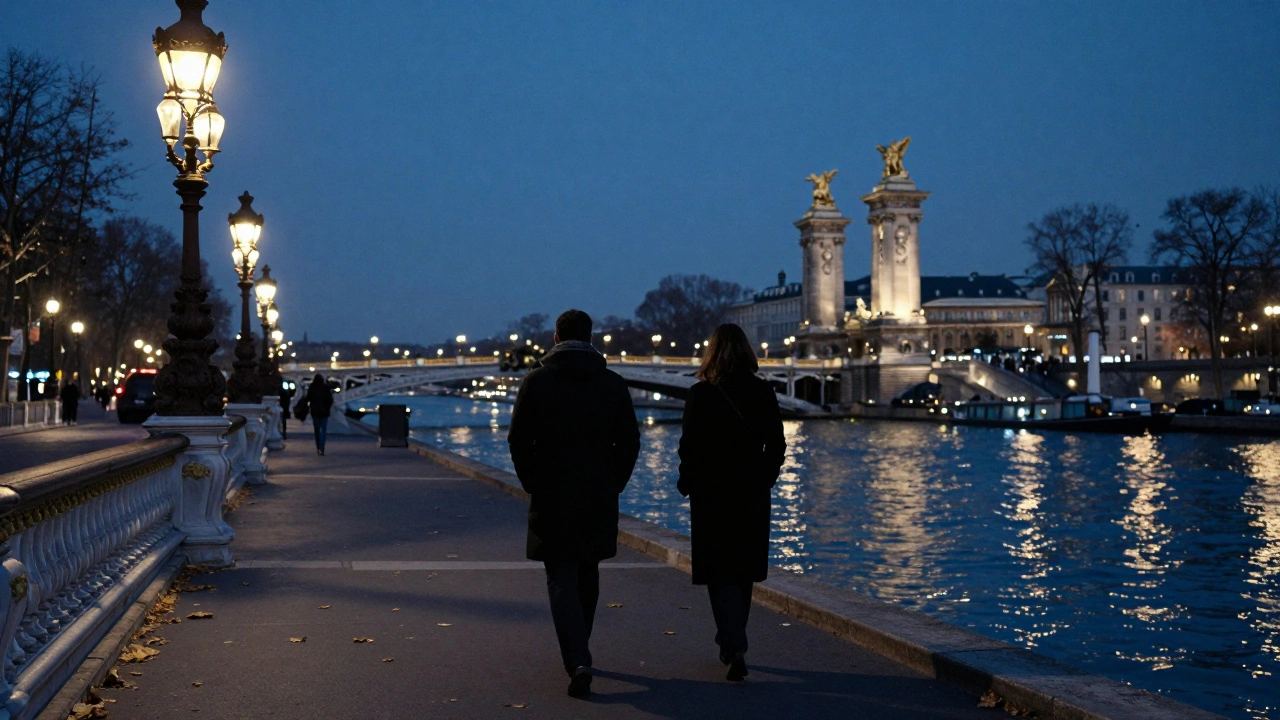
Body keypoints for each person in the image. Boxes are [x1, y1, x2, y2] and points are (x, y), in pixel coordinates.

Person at [507, 309, 640, 699]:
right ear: (592, 337)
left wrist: (533, 481)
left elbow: (518, 441)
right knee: (588, 571)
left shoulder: (536, 383)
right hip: (598, 492)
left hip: (551, 492)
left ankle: (578, 657)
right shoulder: (612, 384)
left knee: (560, 575)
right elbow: (630, 441)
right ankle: (581, 649)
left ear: (555, 337)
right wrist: (615, 482)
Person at [676, 323, 785, 682]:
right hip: (752, 491)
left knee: (719, 570)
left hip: (712, 494)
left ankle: (733, 644)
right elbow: (777, 444)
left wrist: (687, 481)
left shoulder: (701, 394)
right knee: (744, 570)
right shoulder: (763, 391)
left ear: (712, 353)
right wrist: (765, 477)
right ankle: (733, 639)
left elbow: (689, 446)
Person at [305, 374, 334, 455]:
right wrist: (327, 407)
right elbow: (330, 400)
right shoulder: (325, 387)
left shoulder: (312, 387)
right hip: (324, 412)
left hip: (315, 412)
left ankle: (318, 448)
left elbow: (308, 398)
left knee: (317, 430)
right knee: (323, 430)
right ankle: (322, 448)